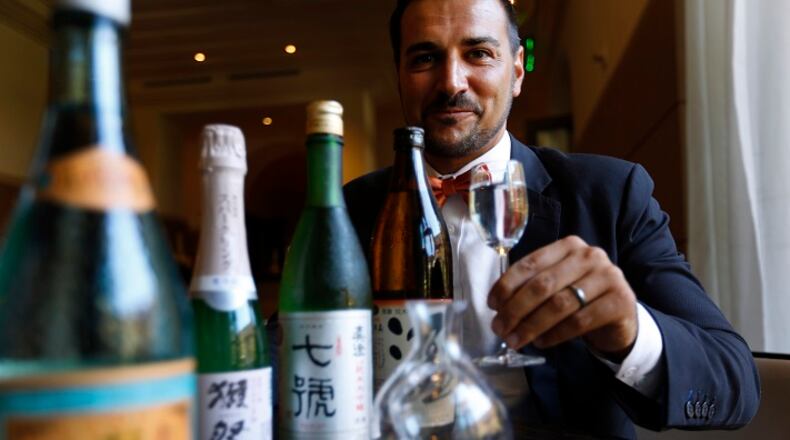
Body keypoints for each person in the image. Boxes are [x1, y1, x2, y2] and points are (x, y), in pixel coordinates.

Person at [343, 0, 760, 438]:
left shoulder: (610, 194)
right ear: (399, 76)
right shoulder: (352, 208)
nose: (452, 81)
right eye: (425, 58)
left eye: (479, 53)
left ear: (517, 71)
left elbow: (736, 383)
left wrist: (630, 331)